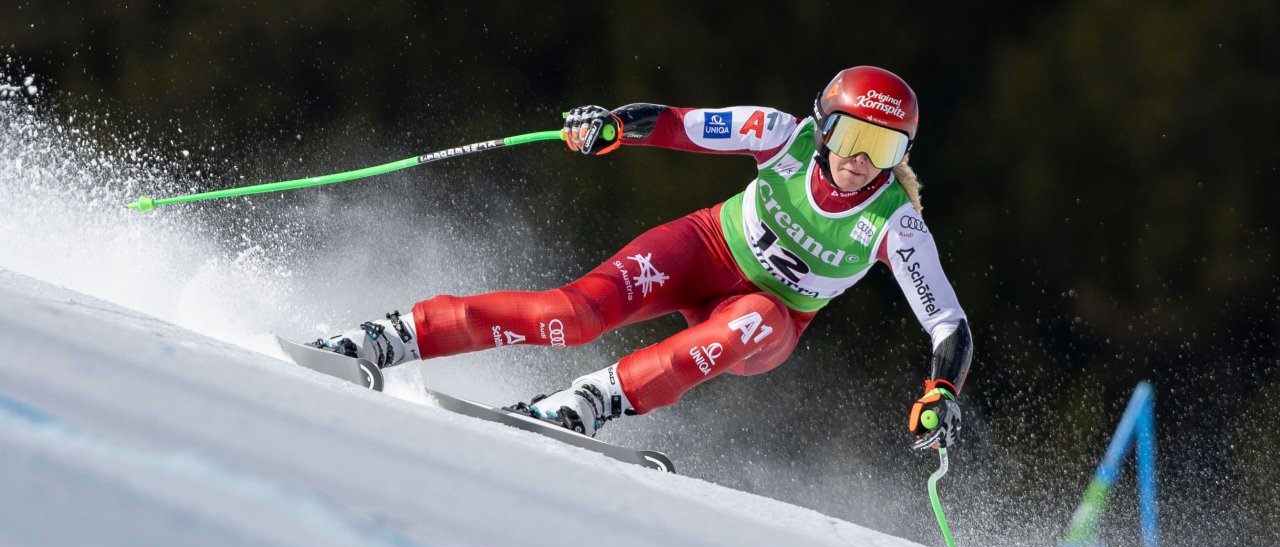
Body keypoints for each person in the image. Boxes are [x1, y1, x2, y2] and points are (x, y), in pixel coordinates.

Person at [311, 66, 973, 450]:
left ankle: (586, 404)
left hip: (770, 316)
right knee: (571, 315)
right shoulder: (781, 135)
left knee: (756, 321)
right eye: (853, 136)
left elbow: (948, 324)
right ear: (824, 126)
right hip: (706, 249)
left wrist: (941, 392)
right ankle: (385, 338)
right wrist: (610, 126)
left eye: (884, 149)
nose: (861, 160)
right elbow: (679, 122)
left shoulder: (896, 226)